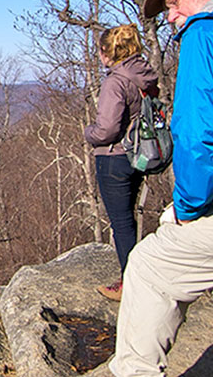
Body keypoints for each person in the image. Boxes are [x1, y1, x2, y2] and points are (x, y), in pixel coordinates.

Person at [106, 0, 213, 377]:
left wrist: (189, 207)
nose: (170, 17)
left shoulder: (203, 34)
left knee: (148, 266)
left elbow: (198, 135)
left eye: (173, 3)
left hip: (121, 160)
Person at [85, 23, 158, 301]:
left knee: (121, 222)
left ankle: (131, 283)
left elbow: (107, 129)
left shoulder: (115, 81)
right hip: (138, 154)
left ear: (107, 52)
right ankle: (137, 275)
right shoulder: (144, 76)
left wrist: (88, 133)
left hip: (114, 157)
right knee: (129, 220)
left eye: (101, 51)